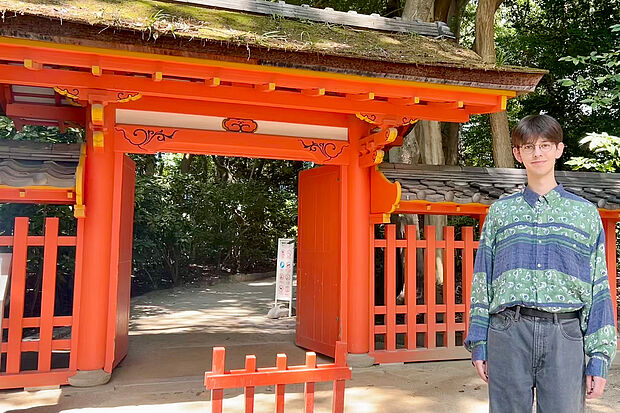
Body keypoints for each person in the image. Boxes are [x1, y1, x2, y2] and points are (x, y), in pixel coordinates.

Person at [464, 114, 617, 413]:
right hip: (508, 331)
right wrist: (479, 340)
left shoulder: (584, 214)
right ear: (518, 154)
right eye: (529, 146)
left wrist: (599, 356)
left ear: (559, 150)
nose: (538, 153)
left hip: (566, 334)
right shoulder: (500, 213)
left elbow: (599, 288)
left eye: (545, 145)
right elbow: (482, 280)